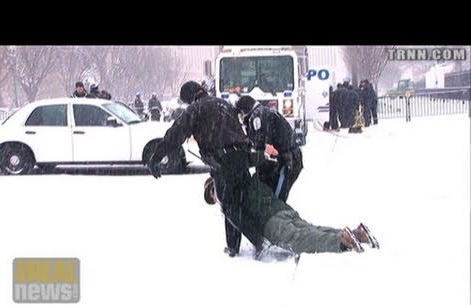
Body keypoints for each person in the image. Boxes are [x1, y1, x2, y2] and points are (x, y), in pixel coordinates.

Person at [148, 80, 254, 257]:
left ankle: (249, 244)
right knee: (241, 201)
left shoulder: (195, 109)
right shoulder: (223, 103)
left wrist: (157, 156)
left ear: (190, 97)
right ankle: (241, 244)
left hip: (223, 160)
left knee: (229, 205)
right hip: (241, 157)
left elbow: (176, 134)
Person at [203, 173, 380, 255]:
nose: (216, 199)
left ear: (216, 187)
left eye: (213, 195)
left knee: (300, 240)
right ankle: (356, 234)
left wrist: (233, 248)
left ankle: (340, 241)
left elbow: (235, 229)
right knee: (311, 229)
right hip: (283, 210)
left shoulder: (229, 199)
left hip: (271, 222)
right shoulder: (249, 180)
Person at [235, 95, 303, 203]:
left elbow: (263, 146)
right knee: (271, 197)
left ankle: (277, 216)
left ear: (244, 111)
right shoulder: (262, 113)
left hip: (287, 160)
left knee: (275, 201)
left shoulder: (257, 117)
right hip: (285, 158)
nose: (240, 119)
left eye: (240, 115)